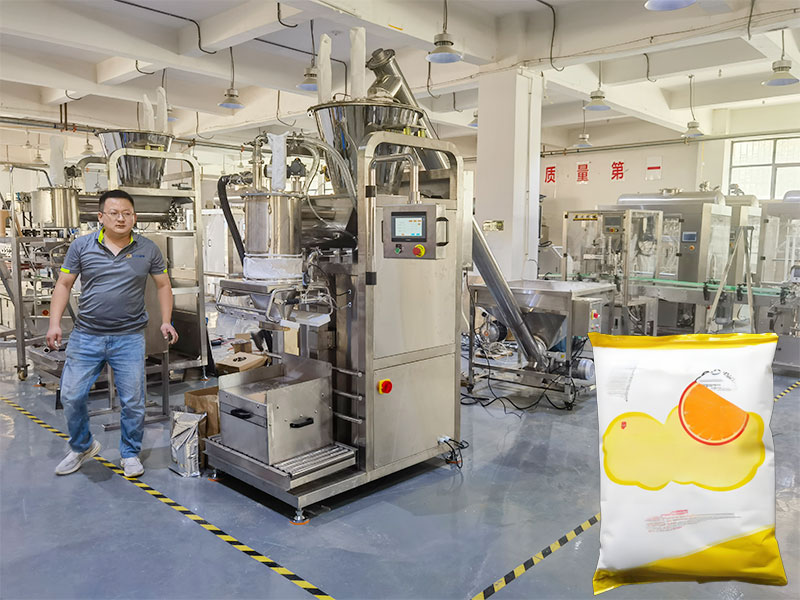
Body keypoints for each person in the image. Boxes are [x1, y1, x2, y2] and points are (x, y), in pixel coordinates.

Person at [46, 190, 178, 478]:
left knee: (133, 401)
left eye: (127, 213)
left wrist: (166, 321)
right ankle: (82, 446)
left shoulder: (148, 249)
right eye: (114, 213)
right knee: (71, 395)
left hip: (129, 337)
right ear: (101, 216)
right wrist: (54, 323)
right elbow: (64, 284)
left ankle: (130, 453)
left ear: (135, 217)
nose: (121, 218)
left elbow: (163, 285)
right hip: (87, 335)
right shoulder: (81, 246)